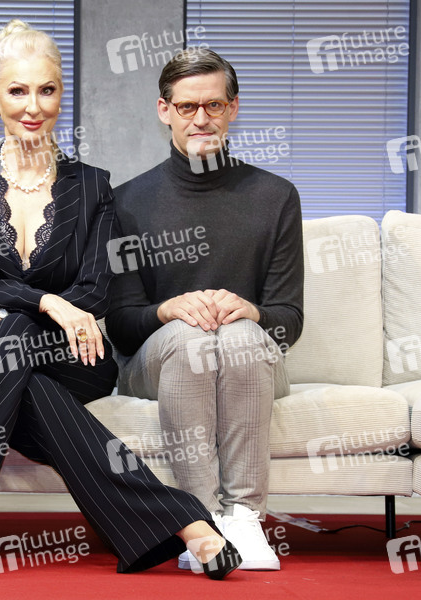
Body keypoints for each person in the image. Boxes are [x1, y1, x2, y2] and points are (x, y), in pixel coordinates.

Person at [0, 20, 240, 580]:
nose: (33, 106)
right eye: (17, 90)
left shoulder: (92, 185)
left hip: (74, 355)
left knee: (8, 336)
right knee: (19, 365)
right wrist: (44, 304)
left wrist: (3, 314)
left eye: (47, 90)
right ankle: (186, 521)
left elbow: (94, 291)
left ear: (62, 95)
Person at [106, 49, 303, 572]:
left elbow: (290, 318)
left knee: (237, 336)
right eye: (187, 106)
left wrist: (252, 311)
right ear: (164, 110)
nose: (201, 118)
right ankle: (200, 523)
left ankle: (244, 517)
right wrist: (168, 310)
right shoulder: (125, 202)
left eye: (214, 105)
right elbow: (121, 326)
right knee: (192, 340)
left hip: (249, 356)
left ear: (232, 108)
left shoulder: (277, 196)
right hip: (157, 360)